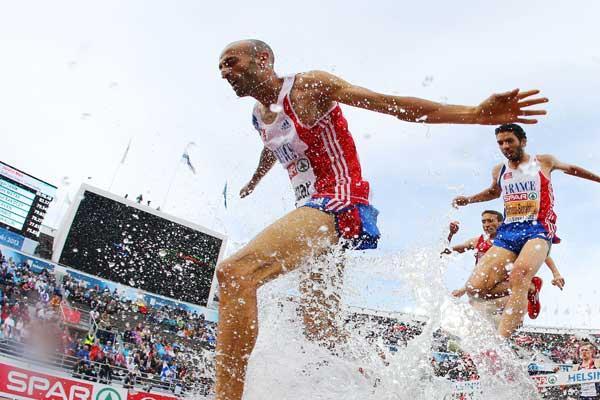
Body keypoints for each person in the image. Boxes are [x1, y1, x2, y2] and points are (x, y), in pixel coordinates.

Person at [217, 39, 548, 400]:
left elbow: (393, 105)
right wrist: (255, 179)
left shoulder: (307, 87)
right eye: (220, 67)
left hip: (339, 200)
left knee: (236, 273)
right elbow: (272, 146)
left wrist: (475, 113)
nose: (224, 72)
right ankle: (384, 384)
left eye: (231, 62)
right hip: (311, 210)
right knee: (320, 331)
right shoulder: (258, 116)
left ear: (263, 59)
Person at [453, 123, 600, 339]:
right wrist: (469, 199)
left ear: (522, 141)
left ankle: (500, 343)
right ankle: (530, 288)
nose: (505, 146)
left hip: (538, 229)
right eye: (500, 143)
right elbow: (494, 191)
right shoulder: (500, 170)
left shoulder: (543, 162)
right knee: (475, 289)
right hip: (508, 232)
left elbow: (572, 169)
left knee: (519, 274)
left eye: (509, 141)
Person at [444, 210, 565, 320]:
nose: (486, 224)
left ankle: (530, 289)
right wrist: (451, 234)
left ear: (501, 223)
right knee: (474, 304)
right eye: (484, 222)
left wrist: (556, 274)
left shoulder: (512, 241)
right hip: (488, 286)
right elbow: (448, 251)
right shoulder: (477, 241)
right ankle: (529, 289)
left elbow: (542, 253)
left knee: (483, 311)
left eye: (490, 221)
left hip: (507, 286)